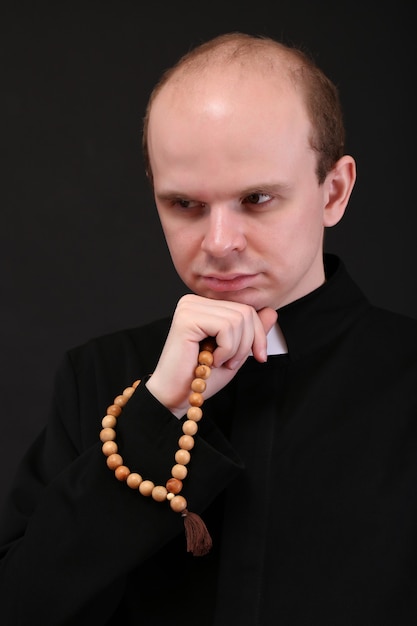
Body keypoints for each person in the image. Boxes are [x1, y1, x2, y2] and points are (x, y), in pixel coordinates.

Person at [0, 31, 416, 626]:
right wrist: (153, 414)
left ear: (335, 191)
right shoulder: (95, 375)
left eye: (257, 198)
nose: (219, 244)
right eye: (186, 205)